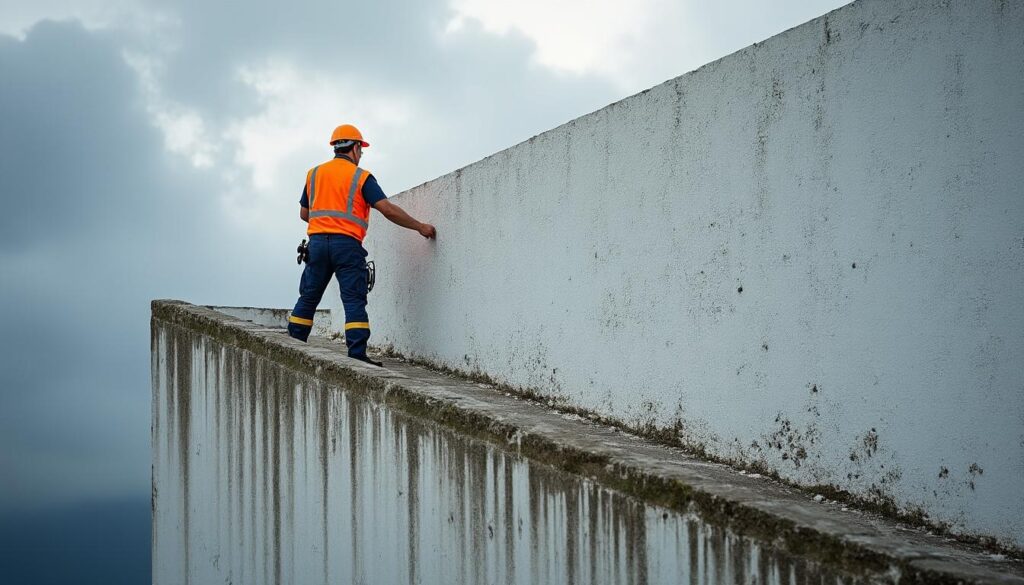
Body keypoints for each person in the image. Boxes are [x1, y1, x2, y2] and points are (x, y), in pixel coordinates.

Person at [287, 124, 436, 366]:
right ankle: (356, 353)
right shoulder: (361, 177)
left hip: (316, 244)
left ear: (335, 147)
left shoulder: (314, 173)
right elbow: (386, 209)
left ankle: (293, 345)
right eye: (361, 150)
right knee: (354, 300)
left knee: (308, 297)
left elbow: (305, 213)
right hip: (346, 245)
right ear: (355, 148)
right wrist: (419, 226)